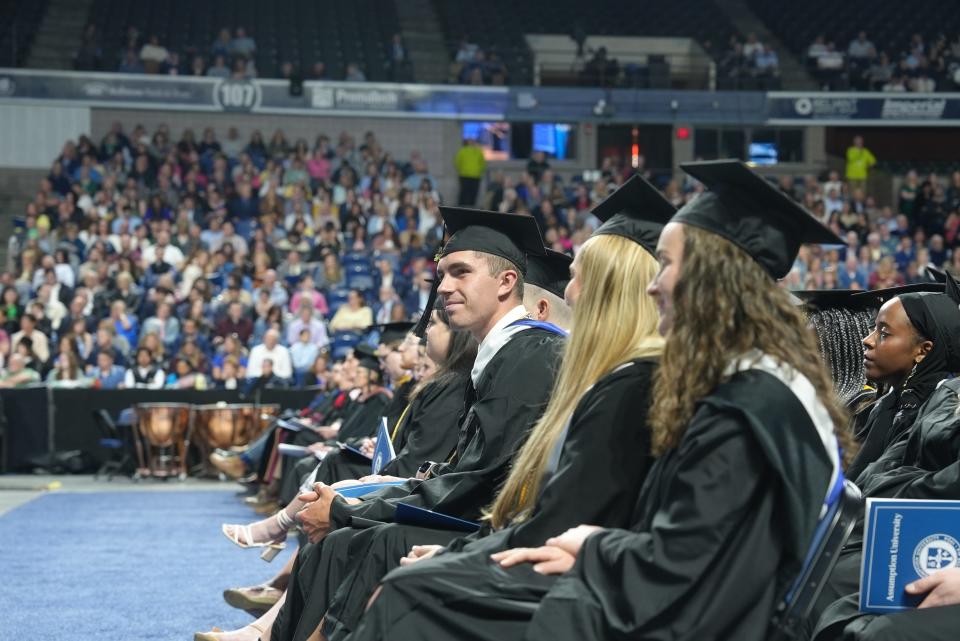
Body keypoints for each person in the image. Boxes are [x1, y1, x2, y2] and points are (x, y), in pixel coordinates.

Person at [355, 160, 849, 641]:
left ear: (712, 278)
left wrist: (594, 546)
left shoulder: (746, 404)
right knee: (418, 587)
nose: (654, 284)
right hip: (676, 605)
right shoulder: (765, 386)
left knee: (411, 596)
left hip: (675, 620)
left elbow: (685, 562)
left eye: (669, 264)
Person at [329, 175, 673, 641]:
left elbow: (559, 513)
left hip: (596, 584)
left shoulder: (614, 381)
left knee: (405, 587)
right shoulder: (612, 378)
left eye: (576, 279)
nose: (566, 295)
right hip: (565, 553)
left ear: (613, 289)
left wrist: (465, 554)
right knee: (398, 566)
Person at [197, 208, 567, 641]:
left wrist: (349, 509)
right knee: (340, 537)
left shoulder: (527, 356)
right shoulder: (501, 357)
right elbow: (457, 474)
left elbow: (474, 483)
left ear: (507, 284)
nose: (444, 287)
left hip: (499, 528)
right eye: (444, 273)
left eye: (461, 272)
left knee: (366, 537)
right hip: (475, 513)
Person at [811, 275, 960, 641]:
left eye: (883, 332)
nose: (866, 339)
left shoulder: (942, 405)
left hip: (906, 541)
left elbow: (891, 486)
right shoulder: (882, 409)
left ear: (923, 350)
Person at [454, 138, 486, 206]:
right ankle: (460, 208)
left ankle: (471, 209)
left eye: (473, 141)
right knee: (464, 193)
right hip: (464, 175)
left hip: (475, 176)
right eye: (470, 141)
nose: (472, 142)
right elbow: (457, 162)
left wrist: (478, 170)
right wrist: (462, 170)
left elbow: (483, 163)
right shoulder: (463, 151)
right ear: (467, 142)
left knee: (473, 194)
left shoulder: (478, 151)